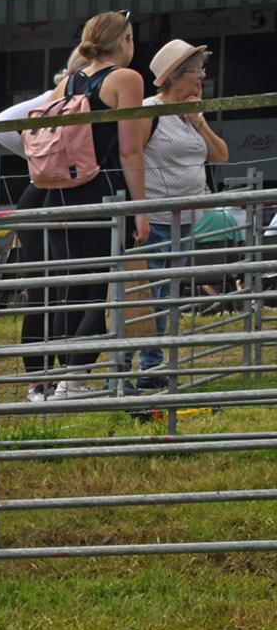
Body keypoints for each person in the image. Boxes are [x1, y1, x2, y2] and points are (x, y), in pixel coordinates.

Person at [19, 11, 150, 402]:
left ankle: (50, 378)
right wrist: (139, 208)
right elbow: (129, 149)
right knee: (95, 285)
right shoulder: (126, 79)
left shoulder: (68, 82)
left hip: (61, 189)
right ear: (123, 40)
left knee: (66, 283)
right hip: (101, 186)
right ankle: (74, 380)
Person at [131, 39, 229, 387]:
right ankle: (129, 372)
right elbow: (132, 156)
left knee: (167, 297)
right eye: (195, 70)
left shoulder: (191, 116)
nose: (201, 77)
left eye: (202, 69)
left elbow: (221, 156)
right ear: (173, 76)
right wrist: (139, 209)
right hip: (155, 220)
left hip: (185, 223)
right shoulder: (148, 111)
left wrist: (199, 122)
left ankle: (152, 369)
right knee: (146, 298)